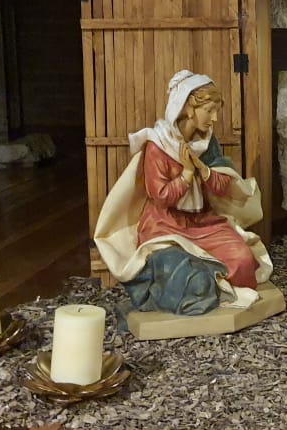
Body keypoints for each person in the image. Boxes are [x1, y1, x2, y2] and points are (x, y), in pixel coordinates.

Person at [94, 70, 271, 316]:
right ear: (188, 107)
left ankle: (211, 283)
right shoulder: (158, 145)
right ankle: (203, 284)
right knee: (185, 274)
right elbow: (161, 197)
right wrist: (186, 175)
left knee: (243, 262)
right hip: (165, 224)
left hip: (202, 222)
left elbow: (223, 186)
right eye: (209, 110)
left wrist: (204, 171)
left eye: (216, 111)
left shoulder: (207, 144)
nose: (214, 118)